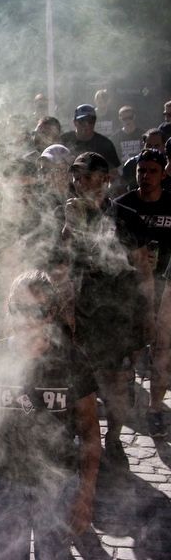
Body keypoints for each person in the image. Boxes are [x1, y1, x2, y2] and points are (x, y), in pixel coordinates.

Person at [0, 271, 100, 560]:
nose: (26, 320)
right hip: (1, 485)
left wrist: (86, 495)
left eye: (37, 311)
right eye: (19, 309)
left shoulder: (72, 361)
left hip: (56, 488)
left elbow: (91, 433)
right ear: (8, 307)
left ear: (51, 313)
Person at [57, 151, 154, 469]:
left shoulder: (126, 217)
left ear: (105, 179)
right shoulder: (66, 214)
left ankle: (112, 440)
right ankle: (78, 438)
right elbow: (60, 262)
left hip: (119, 315)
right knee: (76, 380)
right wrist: (70, 225)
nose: (79, 182)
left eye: (86, 175)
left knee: (116, 383)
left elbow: (143, 268)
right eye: (76, 176)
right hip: (79, 313)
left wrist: (148, 314)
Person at [115, 149, 171, 437]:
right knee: (130, 350)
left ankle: (156, 409)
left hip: (164, 284)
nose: (145, 176)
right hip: (130, 287)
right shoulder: (123, 206)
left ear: (163, 174)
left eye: (152, 171)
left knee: (161, 351)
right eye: (141, 170)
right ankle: (125, 396)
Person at [59, 105, 121, 173]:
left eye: (91, 120)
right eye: (83, 121)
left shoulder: (105, 144)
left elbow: (114, 173)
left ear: (95, 121)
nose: (87, 125)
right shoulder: (63, 141)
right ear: (75, 122)